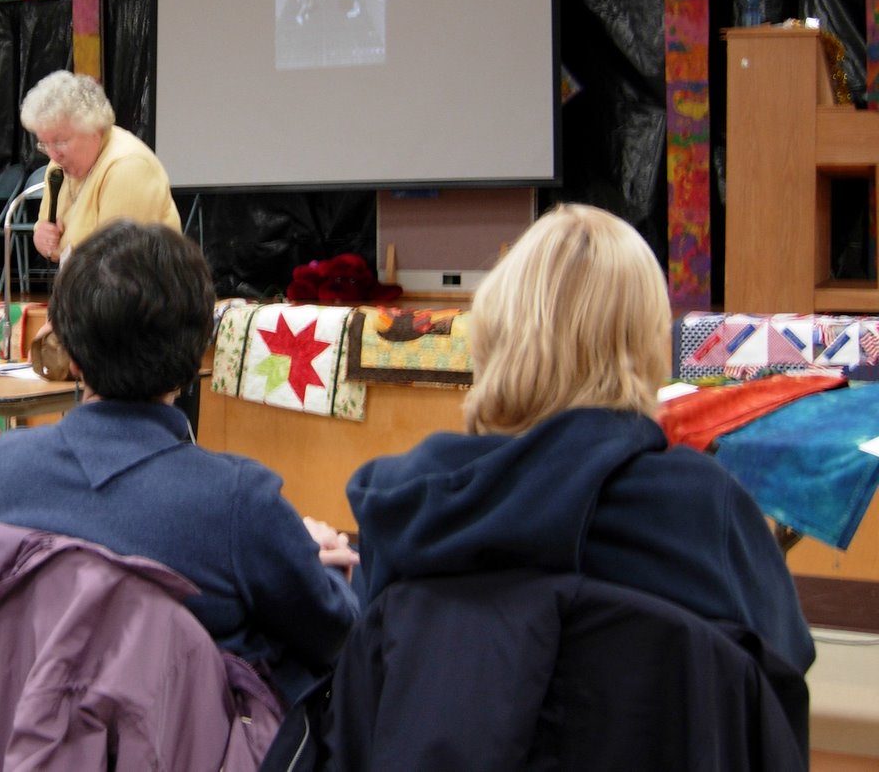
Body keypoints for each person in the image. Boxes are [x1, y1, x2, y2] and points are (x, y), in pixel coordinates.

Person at [346, 203, 815, 673]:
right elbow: (780, 679)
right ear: (648, 343)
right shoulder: (704, 507)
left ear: (490, 332)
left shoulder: (403, 504)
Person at [0, 221, 359, 704]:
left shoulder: (7, 466)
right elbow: (332, 634)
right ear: (197, 353)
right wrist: (319, 565)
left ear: (72, 356)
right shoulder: (240, 499)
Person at [21, 70, 179, 266]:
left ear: (94, 130)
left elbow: (115, 261)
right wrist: (42, 237)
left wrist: (61, 247)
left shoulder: (128, 167)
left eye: (60, 142)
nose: (53, 155)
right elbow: (49, 234)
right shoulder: (57, 170)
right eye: (44, 144)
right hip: (89, 289)